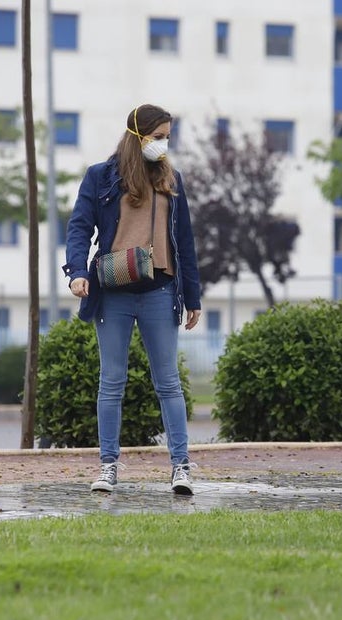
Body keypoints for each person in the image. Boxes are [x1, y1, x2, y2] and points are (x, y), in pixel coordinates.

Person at [62, 104, 202, 495]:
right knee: (112, 383)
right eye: (158, 137)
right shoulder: (101, 177)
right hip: (113, 293)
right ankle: (108, 466)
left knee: (168, 383)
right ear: (137, 136)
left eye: (167, 138)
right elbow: (78, 228)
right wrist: (76, 272)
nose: (163, 144)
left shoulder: (171, 179)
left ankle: (181, 467)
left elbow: (185, 243)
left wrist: (193, 296)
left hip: (159, 291)